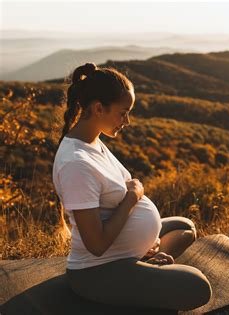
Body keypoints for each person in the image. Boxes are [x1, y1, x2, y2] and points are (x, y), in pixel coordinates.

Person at [52, 62, 212, 311]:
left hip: (123, 252)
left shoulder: (93, 141)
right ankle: (141, 270)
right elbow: (96, 245)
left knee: (185, 227)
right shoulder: (76, 163)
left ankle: (144, 261)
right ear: (98, 108)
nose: (127, 121)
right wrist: (132, 197)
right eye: (123, 112)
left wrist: (142, 240)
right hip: (98, 272)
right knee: (198, 286)